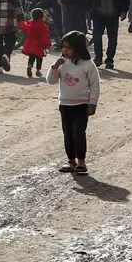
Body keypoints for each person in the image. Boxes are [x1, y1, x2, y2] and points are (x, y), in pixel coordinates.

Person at [48, 30, 100, 175]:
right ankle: (71, 161)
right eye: (63, 47)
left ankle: (81, 162)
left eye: (69, 48)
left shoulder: (88, 65)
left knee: (78, 132)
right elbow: (50, 81)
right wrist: (54, 67)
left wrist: (92, 103)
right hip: (65, 105)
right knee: (68, 134)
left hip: (82, 106)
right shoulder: (62, 63)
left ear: (78, 48)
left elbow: (95, 85)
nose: (65, 50)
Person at [87, 0, 129, 71]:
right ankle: (98, 58)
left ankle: (109, 60)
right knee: (96, 36)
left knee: (112, 38)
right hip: (98, 12)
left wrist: (124, 10)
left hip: (113, 13)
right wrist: (88, 9)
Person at [20, 8, 52, 79]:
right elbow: (46, 35)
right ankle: (38, 70)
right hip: (39, 45)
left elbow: (24, 26)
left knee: (31, 57)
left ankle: (29, 66)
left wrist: (20, 22)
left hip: (30, 43)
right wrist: (48, 45)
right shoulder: (43, 26)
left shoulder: (30, 23)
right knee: (39, 58)